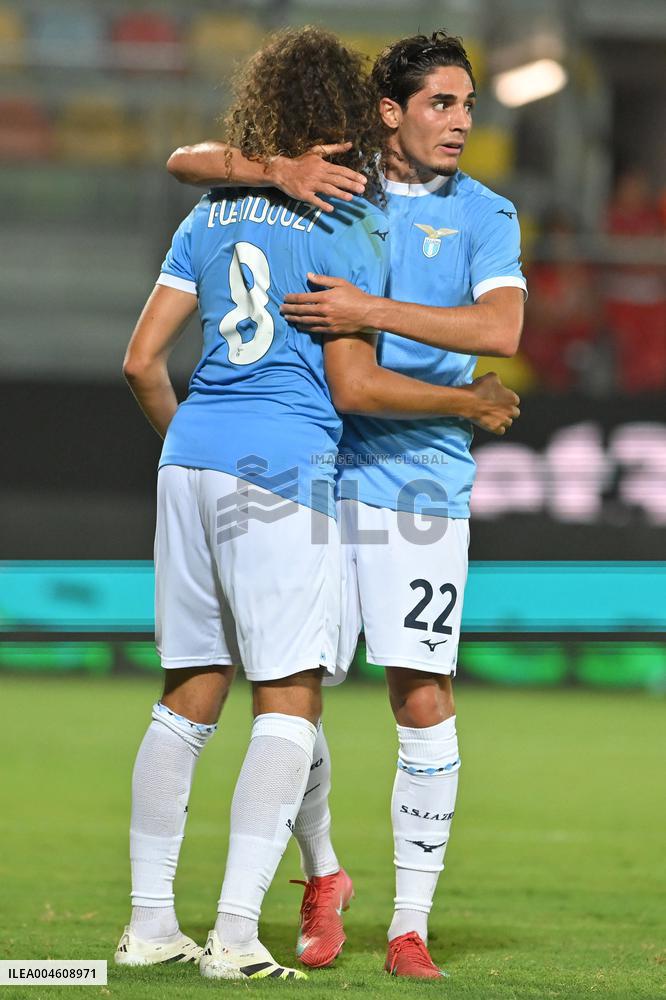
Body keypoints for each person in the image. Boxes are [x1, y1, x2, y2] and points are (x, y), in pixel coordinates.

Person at [119, 25, 520, 983]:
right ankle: (279, 903)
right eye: (442, 103)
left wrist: (363, 310)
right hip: (307, 468)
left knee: (368, 691)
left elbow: (502, 328)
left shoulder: (478, 212)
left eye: (468, 105)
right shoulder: (344, 201)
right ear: (375, 113)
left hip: (381, 475)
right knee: (293, 695)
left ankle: (395, 924)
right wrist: (469, 401)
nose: (461, 121)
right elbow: (352, 383)